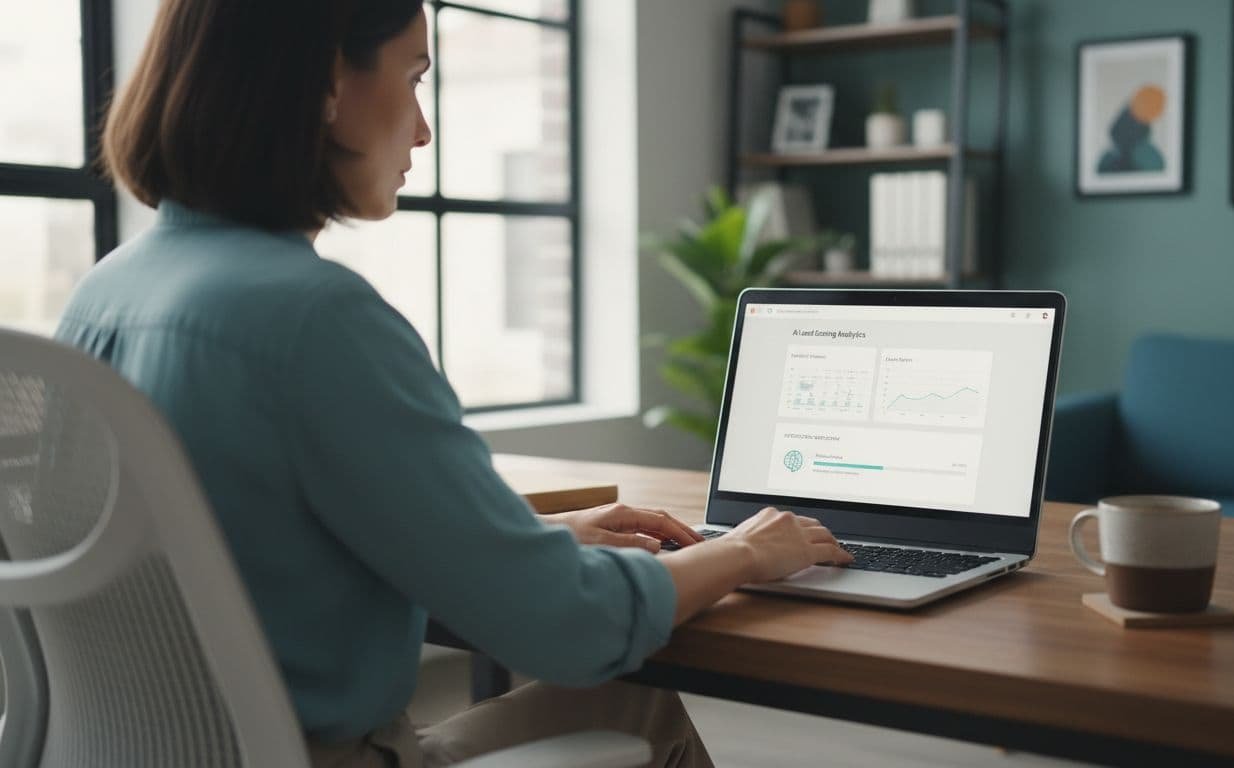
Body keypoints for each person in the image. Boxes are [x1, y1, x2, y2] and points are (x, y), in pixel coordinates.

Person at [62, 1, 852, 766]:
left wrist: (525, 545)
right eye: (413, 77)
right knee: (640, 705)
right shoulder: (313, 318)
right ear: (326, 85)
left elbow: (259, 560)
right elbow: (569, 629)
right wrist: (746, 553)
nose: (423, 127)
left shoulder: (107, 294)